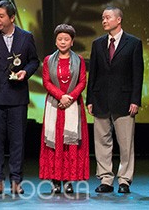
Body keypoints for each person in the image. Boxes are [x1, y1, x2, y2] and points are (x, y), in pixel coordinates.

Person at [0, 0, 40, 196]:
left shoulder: (26, 37)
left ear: (12, 17)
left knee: (17, 141)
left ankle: (16, 180)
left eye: (1, 16)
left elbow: (34, 61)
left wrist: (25, 72)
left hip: (18, 96)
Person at [86, 5, 143, 194]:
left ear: (119, 20)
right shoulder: (97, 44)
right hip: (101, 99)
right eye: (103, 18)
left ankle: (124, 180)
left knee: (126, 143)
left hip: (125, 100)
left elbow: (137, 74)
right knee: (102, 141)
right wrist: (90, 99)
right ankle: (106, 179)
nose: (104, 21)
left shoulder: (133, 43)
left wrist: (135, 100)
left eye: (108, 17)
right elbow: (93, 74)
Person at [39, 23, 89, 195]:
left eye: (66, 39)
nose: (62, 42)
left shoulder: (79, 60)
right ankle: (55, 181)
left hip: (73, 106)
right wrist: (61, 96)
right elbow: (46, 82)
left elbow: (82, 81)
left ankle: (68, 181)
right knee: (54, 143)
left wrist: (70, 98)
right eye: (60, 39)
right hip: (55, 105)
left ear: (72, 42)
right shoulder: (48, 60)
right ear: (55, 41)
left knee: (70, 144)